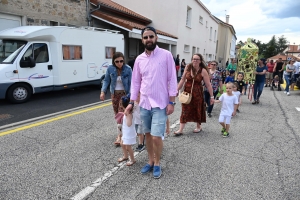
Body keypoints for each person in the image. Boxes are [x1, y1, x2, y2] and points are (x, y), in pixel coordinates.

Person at [124, 26, 177, 179]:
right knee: (147, 135)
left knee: (156, 136)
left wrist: (172, 102)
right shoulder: (139, 60)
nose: (148, 40)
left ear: (156, 38)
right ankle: (150, 160)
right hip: (144, 103)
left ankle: (158, 162)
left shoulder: (166, 55)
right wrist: (132, 102)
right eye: (145, 37)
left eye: (151, 36)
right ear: (142, 40)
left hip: (160, 103)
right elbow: (135, 83)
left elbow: (172, 78)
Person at [175, 53, 214, 135]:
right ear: (192, 60)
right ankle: (180, 130)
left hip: (198, 93)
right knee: (184, 110)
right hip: (187, 92)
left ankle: (198, 127)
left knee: (197, 109)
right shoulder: (188, 67)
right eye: (194, 59)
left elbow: (208, 84)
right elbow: (182, 80)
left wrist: (212, 96)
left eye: (197, 59)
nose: (195, 60)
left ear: (200, 61)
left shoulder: (203, 70)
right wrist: (176, 90)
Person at [100, 52, 132, 146]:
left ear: (124, 60)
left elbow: (132, 83)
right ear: (113, 62)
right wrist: (103, 92)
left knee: (121, 114)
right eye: (117, 61)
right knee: (117, 115)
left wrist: (131, 96)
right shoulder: (110, 68)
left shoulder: (128, 69)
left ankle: (120, 136)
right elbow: (106, 80)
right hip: (114, 95)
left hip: (124, 95)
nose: (119, 63)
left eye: (121, 61)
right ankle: (122, 132)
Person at [117, 94, 136, 166]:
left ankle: (133, 159)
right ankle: (125, 156)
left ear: (123, 105)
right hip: (125, 131)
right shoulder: (127, 112)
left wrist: (126, 115)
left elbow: (129, 124)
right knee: (122, 143)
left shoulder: (129, 114)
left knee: (128, 147)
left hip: (129, 133)